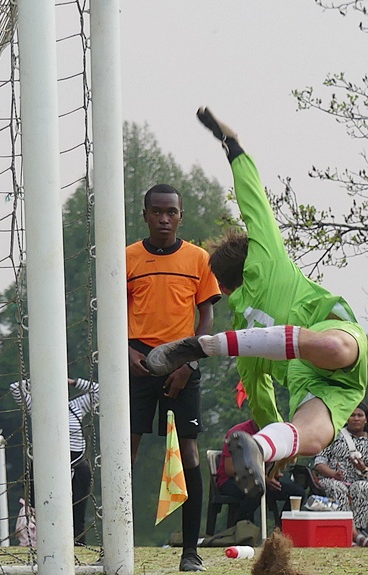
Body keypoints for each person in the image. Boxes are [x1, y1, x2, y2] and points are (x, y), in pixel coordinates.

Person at [144, 108, 368, 505]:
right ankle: (264, 442)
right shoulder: (267, 256)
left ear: (224, 289)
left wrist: (270, 431)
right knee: (311, 438)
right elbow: (254, 200)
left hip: (320, 345)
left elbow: (261, 394)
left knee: (332, 350)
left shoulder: (250, 314)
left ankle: (208, 346)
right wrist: (234, 148)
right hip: (318, 377)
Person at [127, 181, 220, 572]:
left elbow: (208, 317)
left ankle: (190, 552)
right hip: (137, 361)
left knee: (189, 453)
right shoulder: (127, 258)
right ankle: (113, 542)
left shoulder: (198, 259)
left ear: (181, 216)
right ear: (145, 215)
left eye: (172, 212)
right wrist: (125, 352)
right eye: (157, 212)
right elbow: (110, 312)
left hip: (182, 360)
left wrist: (188, 363)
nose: (164, 219)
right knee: (123, 452)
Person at [10, 377, 98, 544]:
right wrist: (41, 377)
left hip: (76, 465)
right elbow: (16, 387)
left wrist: (72, 381)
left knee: (77, 513)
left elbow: (100, 391)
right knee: (40, 511)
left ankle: (77, 546)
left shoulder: (76, 406)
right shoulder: (37, 406)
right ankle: (42, 545)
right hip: (45, 465)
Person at [312, 403, 368, 547]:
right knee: (337, 487)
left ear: (366, 419)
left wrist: (364, 468)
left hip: (361, 480)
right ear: (347, 418)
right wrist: (332, 473)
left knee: (363, 487)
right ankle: (353, 535)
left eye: (360, 415)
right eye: (352, 415)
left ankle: (356, 530)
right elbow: (319, 462)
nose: (356, 419)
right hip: (332, 480)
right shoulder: (334, 437)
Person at [216, 419, 305, 530]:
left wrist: (273, 473)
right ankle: (239, 530)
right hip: (231, 480)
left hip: (263, 480)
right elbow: (229, 469)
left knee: (297, 492)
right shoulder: (238, 432)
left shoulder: (274, 433)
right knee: (255, 490)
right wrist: (264, 479)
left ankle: (281, 532)